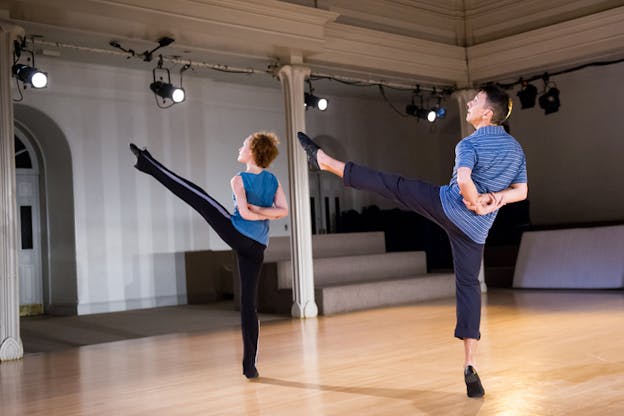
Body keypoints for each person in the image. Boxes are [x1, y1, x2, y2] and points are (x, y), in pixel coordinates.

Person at [297, 85, 528, 398]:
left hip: (448, 207)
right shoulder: (515, 149)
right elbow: (521, 191)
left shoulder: (468, 144)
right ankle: (470, 364)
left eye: (475, 101)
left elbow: (462, 181)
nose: (469, 103)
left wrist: (473, 199)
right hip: (476, 231)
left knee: (393, 185)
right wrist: (493, 199)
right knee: (469, 287)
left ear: (487, 113)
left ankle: (327, 162)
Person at [129, 131, 288, 379]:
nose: (240, 147)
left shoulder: (239, 179)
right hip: (258, 247)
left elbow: (246, 215)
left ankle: (148, 164)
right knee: (249, 305)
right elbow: (282, 211)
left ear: (254, 151)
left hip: (237, 232)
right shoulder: (273, 180)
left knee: (197, 196)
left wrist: (255, 209)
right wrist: (267, 212)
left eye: (244, 144)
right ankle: (250, 366)